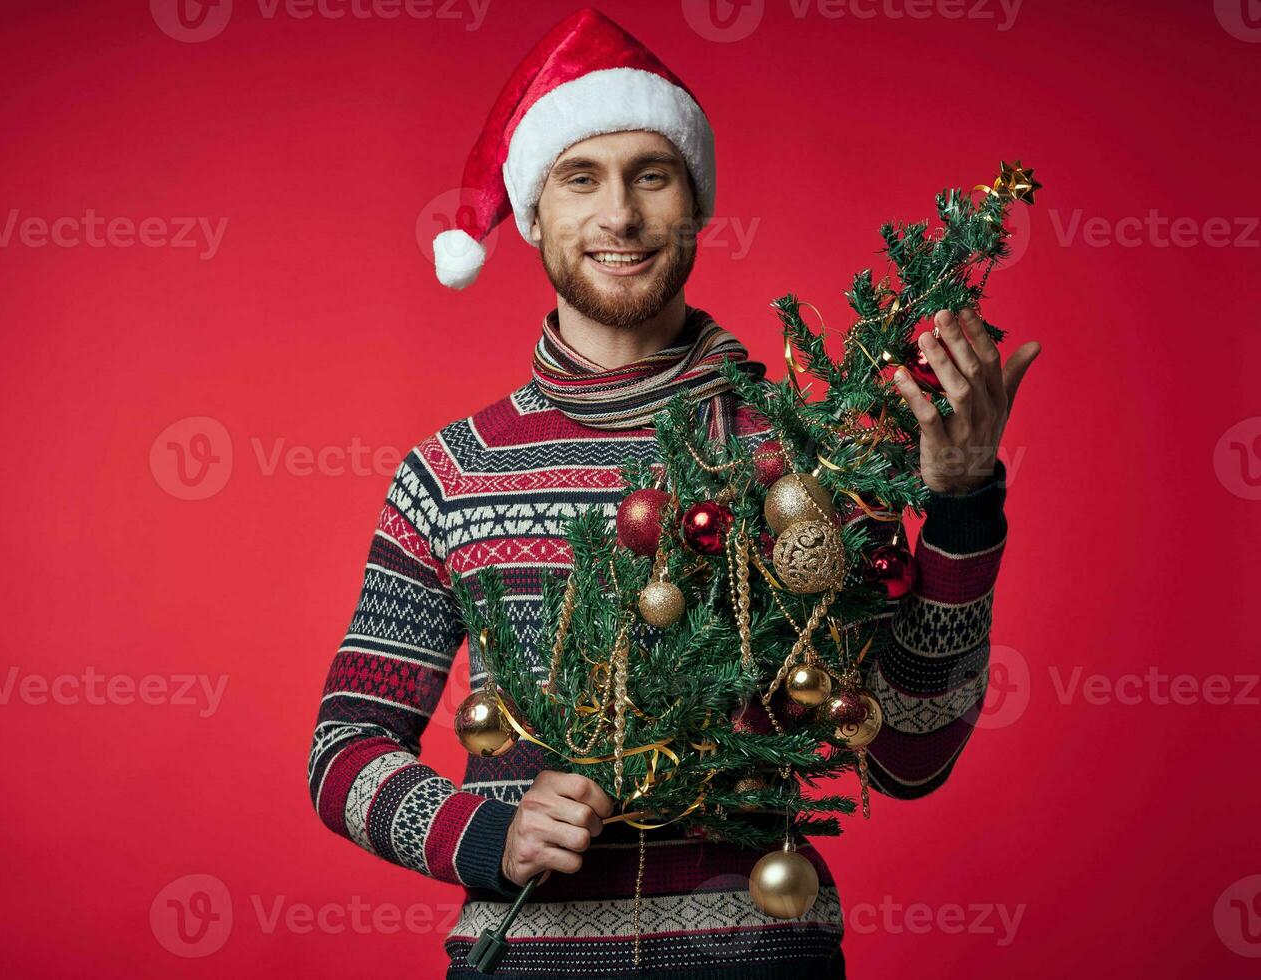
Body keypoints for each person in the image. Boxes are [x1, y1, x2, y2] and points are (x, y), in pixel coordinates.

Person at [307, 8, 1038, 977]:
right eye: (582, 178)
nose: (620, 214)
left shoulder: (798, 455)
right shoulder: (451, 470)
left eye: (652, 175)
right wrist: (485, 836)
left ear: (693, 203)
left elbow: (909, 753)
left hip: (761, 957)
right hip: (525, 960)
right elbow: (345, 744)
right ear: (534, 213)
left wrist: (962, 502)